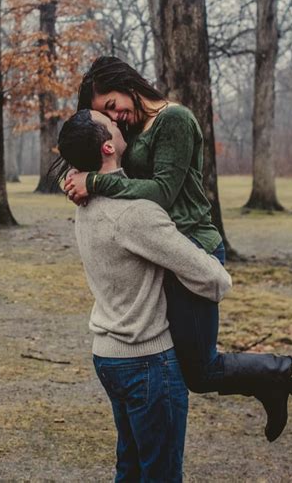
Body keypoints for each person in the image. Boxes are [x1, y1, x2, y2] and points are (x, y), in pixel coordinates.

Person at [64, 56, 292, 442]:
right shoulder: (136, 128)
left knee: (199, 371)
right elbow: (119, 171)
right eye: (106, 114)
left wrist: (95, 182)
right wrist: (79, 169)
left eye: (112, 105)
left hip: (193, 247)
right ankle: (275, 383)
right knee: (186, 369)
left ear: (126, 83)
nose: (117, 115)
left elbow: (163, 192)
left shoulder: (174, 120)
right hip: (160, 246)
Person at [57, 109, 232, 482]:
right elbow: (215, 279)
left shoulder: (83, 202)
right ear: (108, 146)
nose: (122, 124)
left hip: (107, 356)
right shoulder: (135, 215)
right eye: (114, 125)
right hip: (148, 362)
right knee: (161, 473)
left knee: (131, 467)